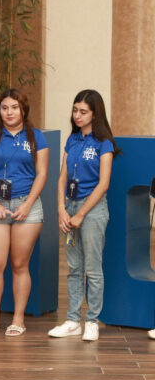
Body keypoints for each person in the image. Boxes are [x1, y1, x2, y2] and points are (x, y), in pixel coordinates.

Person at [0, 89, 48, 336]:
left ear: (24, 109)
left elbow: (42, 174)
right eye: (5, 107)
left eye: (14, 107)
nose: (9, 112)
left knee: (19, 264)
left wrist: (27, 204)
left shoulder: (37, 137)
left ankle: (18, 318)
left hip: (27, 205)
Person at [49, 90, 119, 341]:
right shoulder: (73, 140)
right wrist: (61, 209)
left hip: (92, 209)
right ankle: (72, 320)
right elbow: (62, 178)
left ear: (95, 114)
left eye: (83, 111)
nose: (77, 115)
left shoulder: (104, 143)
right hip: (69, 207)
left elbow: (103, 184)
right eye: (75, 110)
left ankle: (92, 321)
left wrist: (80, 214)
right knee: (74, 267)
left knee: (93, 267)